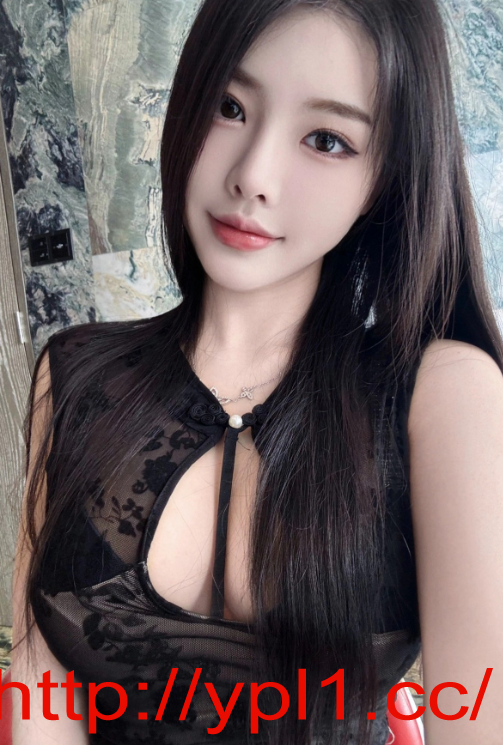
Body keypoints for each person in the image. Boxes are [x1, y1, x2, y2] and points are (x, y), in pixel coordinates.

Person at [9, 0, 503, 743]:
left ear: (385, 177)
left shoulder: (441, 397)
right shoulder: (73, 375)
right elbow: (40, 685)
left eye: (327, 140)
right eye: (229, 106)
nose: (253, 176)